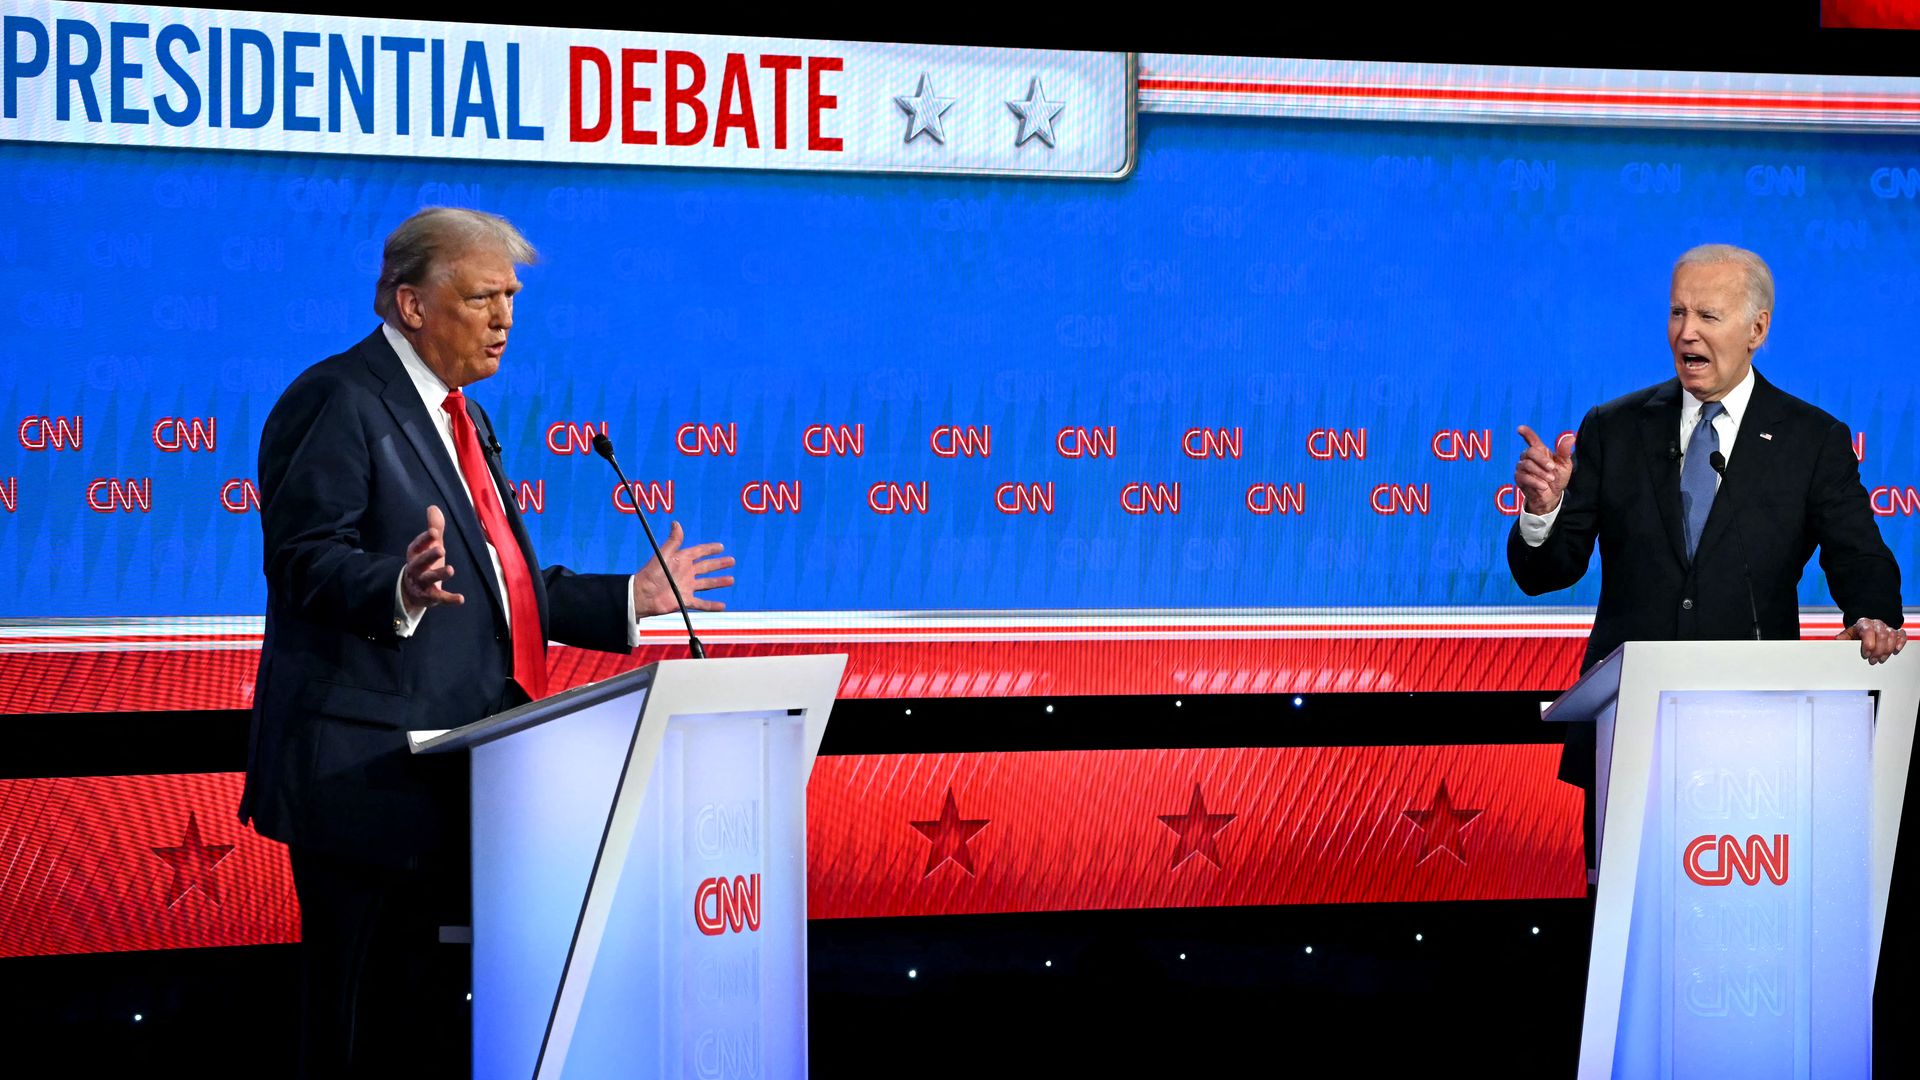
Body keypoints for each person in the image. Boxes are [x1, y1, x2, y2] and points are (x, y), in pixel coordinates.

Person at [238, 207, 735, 1077]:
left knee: (430, 1026)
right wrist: (394, 583)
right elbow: (304, 560)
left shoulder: (460, 417)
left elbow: (501, 583)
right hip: (367, 779)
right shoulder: (340, 399)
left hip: (458, 774)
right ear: (411, 303)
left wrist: (631, 597)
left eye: (510, 296)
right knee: (358, 1032)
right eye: (481, 297)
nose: (505, 317)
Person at [1508, 243, 1906, 856]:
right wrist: (1542, 513)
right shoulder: (1613, 428)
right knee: (1621, 931)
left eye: (1707, 317)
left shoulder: (1811, 439)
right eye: (1676, 313)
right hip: (1630, 731)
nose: (1685, 333)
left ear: (1757, 329)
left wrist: (1871, 616)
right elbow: (1549, 571)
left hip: (1758, 734)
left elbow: (1860, 556)